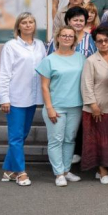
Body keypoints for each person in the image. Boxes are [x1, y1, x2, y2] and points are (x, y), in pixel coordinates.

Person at [0, 13, 46, 186]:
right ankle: (20, 172)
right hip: (15, 97)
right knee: (16, 137)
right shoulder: (11, 46)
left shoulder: (40, 45)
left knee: (22, 135)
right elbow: (4, 73)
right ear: (18, 26)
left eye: (31, 22)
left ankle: (8, 169)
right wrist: (4, 98)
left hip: (32, 98)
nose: (27, 25)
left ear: (34, 25)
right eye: (24, 23)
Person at [37, 26, 86, 187]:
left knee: (69, 139)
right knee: (56, 140)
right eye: (64, 35)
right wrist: (49, 107)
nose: (67, 38)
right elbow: (44, 86)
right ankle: (58, 173)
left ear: (74, 39)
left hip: (75, 105)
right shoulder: (49, 60)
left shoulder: (80, 58)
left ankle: (66, 170)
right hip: (56, 107)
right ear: (58, 38)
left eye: (70, 36)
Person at [79, 27, 108, 184]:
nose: (103, 43)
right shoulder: (90, 60)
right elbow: (86, 84)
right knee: (99, 141)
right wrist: (93, 105)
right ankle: (102, 171)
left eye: (106, 40)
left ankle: (107, 169)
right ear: (95, 43)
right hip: (97, 107)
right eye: (99, 41)